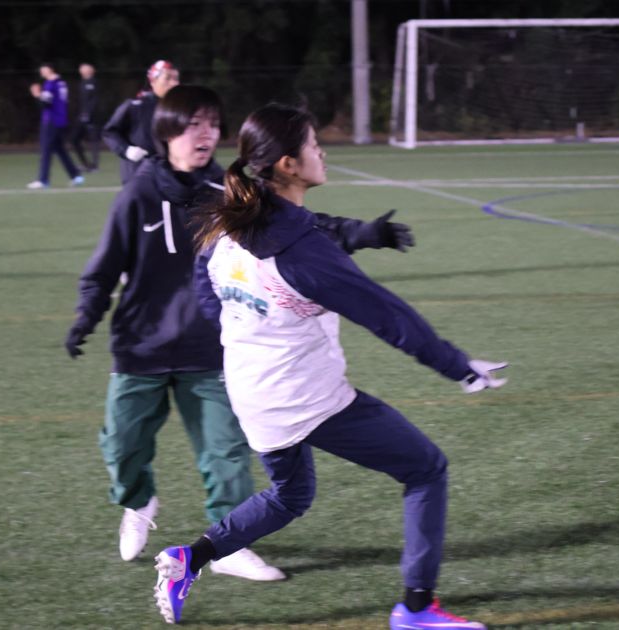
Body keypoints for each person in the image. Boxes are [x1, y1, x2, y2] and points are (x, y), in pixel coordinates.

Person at [151, 103, 506, 628]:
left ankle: (190, 558)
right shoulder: (301, 254)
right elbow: (389, 316)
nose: (323, 153)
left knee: (291, 495)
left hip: (251, 391)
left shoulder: (234, 219)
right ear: (289, 165)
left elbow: (205, 280)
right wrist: (458, 365)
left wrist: (238, 329)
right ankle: (416, 609)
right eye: (315, 145)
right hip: (305, 398)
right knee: (426, 469)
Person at [66, 87, 414, 581]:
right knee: (122, 448)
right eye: (193, 124)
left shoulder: (228, 195)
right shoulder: (136, 196)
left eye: (212, 124)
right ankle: (138, 501)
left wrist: (365, 233)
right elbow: (104, 269)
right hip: (140, 348)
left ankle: (228, 548)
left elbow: (303, 225)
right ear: (166, 133)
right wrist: (86, 315)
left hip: (209, 348)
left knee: (226, 453)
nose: (205, 134)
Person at [102, 59, 180, 184]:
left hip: (168, 177)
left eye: (176, 78)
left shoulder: (179, 109)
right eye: (167, 78)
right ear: (153, 81)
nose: (173, 83)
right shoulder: (135, 106)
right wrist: (126, 150)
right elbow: (109, 132)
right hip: (138, 176)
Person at [27, 63, 84, 189]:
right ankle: (76, 176)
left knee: (45, 150)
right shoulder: (61, 83)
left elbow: (45, 104)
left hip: (51, 121)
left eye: (43, 69)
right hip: (61, 120)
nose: (41, 72)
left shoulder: (50, 84)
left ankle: (43, 180)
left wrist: (37, 94)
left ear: (50, 70)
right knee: (60, 150)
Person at [70, 63, 100, 172]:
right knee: (74, 139)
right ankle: (85, 163)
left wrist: (88, 114)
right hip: (81, 116)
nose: (81, 71)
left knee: (93, 139)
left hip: (91, 117)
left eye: (83, 69)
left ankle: (94, 166)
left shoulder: (93, 82)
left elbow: (94, 100)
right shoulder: (82, 83)